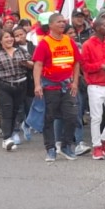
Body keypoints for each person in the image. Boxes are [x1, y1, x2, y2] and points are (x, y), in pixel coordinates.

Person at [33, 12, 82, 162]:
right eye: (59, 22)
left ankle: (66, 146)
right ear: (51, 25)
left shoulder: (69, 41)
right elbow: (38, 64)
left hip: (67, 86)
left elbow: (76, 63)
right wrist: (37, 85)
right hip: (50, 87)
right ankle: (50, 149)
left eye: (64, 21)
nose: (62, 24)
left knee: (72, 116)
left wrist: (75, 82)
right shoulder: (45, 43)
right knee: (49, 118)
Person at [81, 17, 105, 160]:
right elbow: (84, 66)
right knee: (96, 117)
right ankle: (96, 146)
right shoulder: (87, 45)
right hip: (95, 85)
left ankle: (104, 140)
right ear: (96, 28)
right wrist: (100, 66)